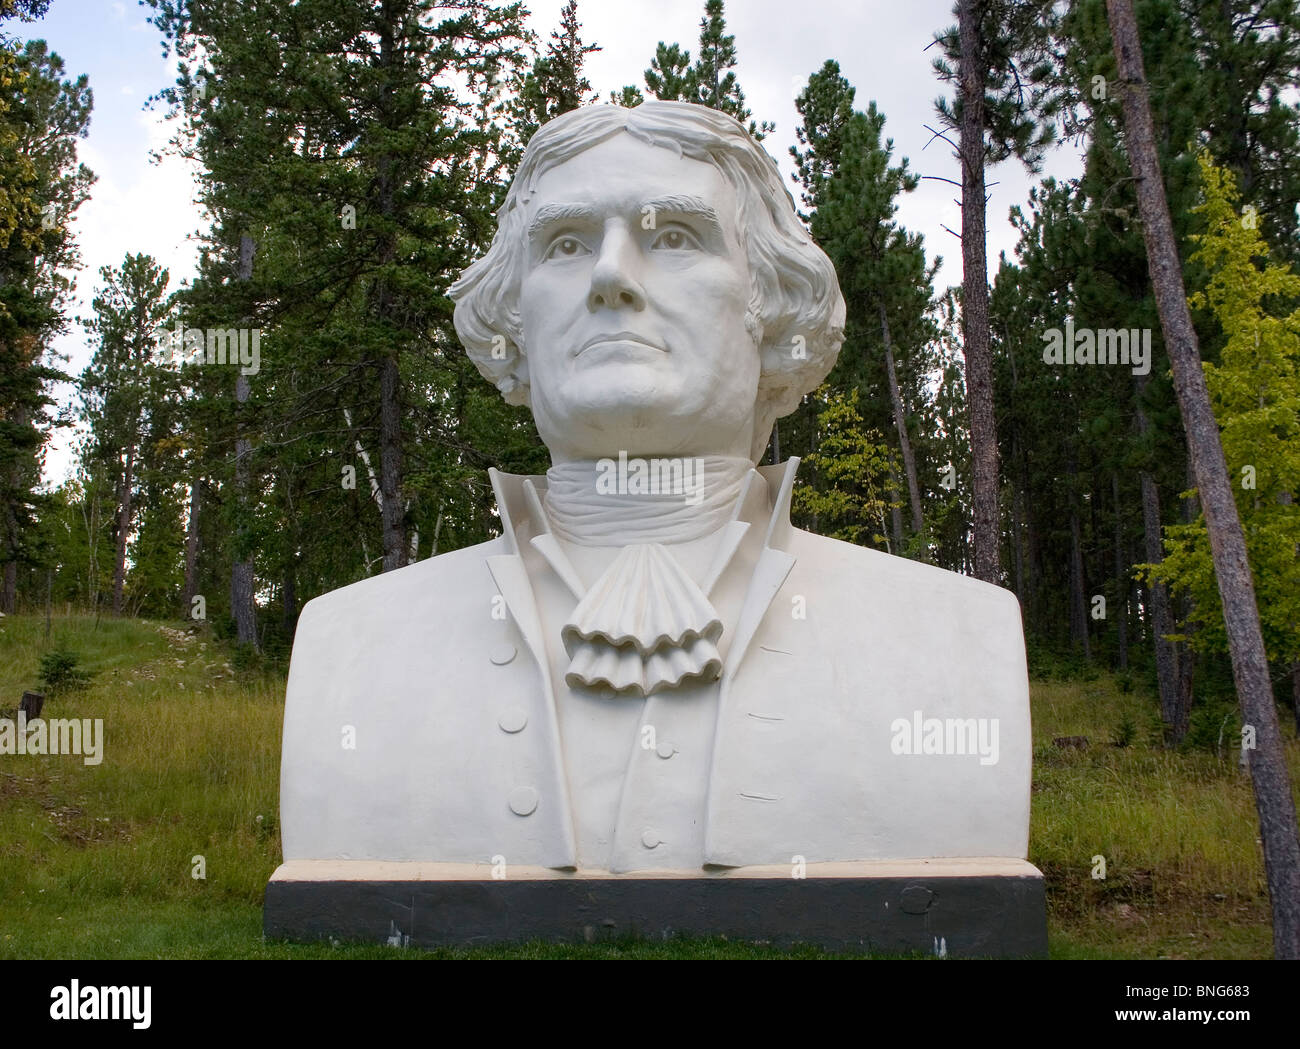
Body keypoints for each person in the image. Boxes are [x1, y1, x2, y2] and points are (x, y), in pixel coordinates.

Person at [279, 101, 1030, 875]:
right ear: (516, 327)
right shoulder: (351, 644)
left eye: (674, 237)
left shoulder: (951, 639)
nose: (610, 276)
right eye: (566, 245)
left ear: (769, 307)